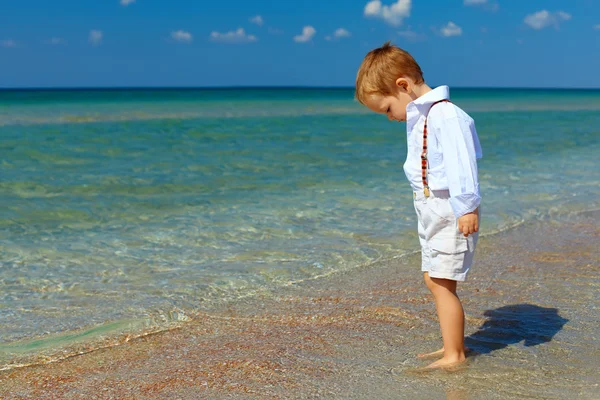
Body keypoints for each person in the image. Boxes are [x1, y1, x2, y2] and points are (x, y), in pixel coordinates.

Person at [355, 41, 482, 369]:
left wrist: (466, 206)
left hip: (449, 208)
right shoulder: (423, 115)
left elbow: (462, 163)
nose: (389, 118)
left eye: (386, 109)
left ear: (403, 86)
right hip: (429, 209)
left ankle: (455, 355)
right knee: (433, 277)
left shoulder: (445, 115)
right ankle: (450, 345)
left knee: (441, 281)